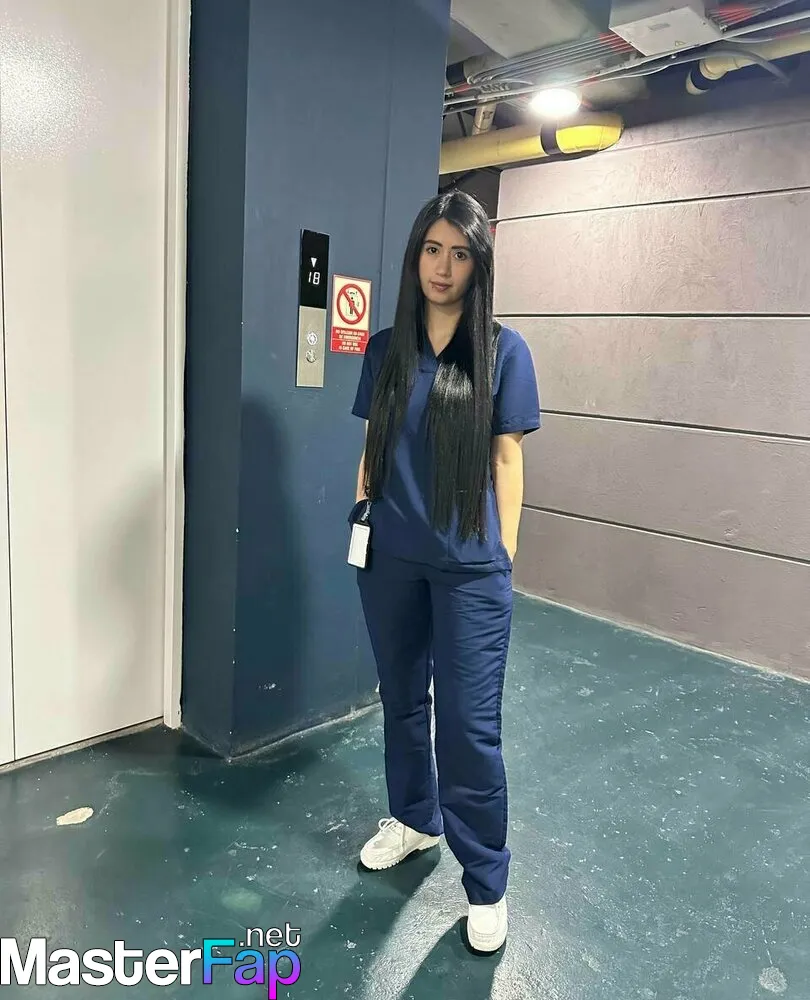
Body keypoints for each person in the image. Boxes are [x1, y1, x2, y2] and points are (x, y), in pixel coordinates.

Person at [348, 190, 541, 954]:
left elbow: (506, 460)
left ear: (478, 264)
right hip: (390, 558)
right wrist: (362, 518)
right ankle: (414, 819)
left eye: (460, 253)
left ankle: (486, 881)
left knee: (469, 728)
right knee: (401, 702)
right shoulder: (386, 349)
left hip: (470, 570)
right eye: (432, 249)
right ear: (415, 256)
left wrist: (502, 556)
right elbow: (374, 446)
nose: (443, 266)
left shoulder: (503, 351)